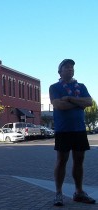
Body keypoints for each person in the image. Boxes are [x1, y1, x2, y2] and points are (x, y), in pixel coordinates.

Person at [49, 59, 95, 206]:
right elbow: (58, 105)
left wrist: (69, 98)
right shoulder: (54, 87)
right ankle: (58, 193)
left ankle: (79, 192)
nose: (70, 70)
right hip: (63, 130)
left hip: (79, 129)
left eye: (72, 68)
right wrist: (78, 103)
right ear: (60, 71)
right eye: (67, 67)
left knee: (79, 161)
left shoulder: (81, 86)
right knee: (62, 160)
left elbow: (89, 102)